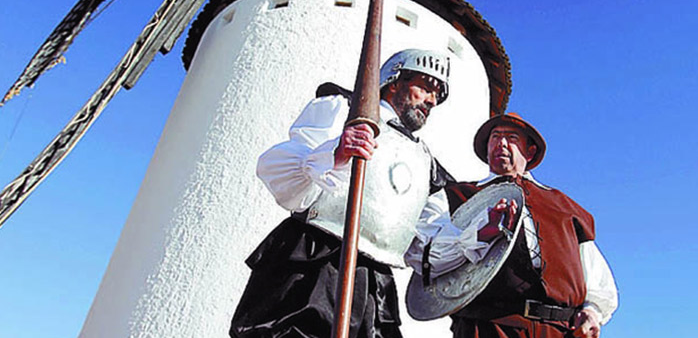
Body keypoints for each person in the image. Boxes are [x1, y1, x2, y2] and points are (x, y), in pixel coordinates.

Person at [230, 49, 460, 338]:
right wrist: (336, 153)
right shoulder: (344, 110)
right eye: (425, 87)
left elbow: (430, 241)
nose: (431, 100)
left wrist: (479, 237)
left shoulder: (426, 164)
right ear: (395, 80)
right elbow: (274, 166)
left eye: (437, 95)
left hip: (375, 284)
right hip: (314, 263)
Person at [406, 113, 618, 338]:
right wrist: (477, 236)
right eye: (495, 137)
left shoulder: (567, 208)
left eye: (511, 137)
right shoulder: (454, 197)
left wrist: (592, 311)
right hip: (487, 329)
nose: (501, 143)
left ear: (530, 151)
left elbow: (597, 277)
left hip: (560, 332)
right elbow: (420, 255)